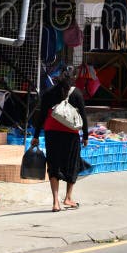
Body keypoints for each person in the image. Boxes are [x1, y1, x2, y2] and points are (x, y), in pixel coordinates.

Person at [30, 67, 89, 212]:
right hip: (71, 134)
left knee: (54, 165)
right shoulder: (76, 94)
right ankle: (68, 198)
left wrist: (36, 136)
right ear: (72, 80)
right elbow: (83, 116)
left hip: (52, 134)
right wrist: (86, 136)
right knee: (72, 164)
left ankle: (55, 202)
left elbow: (42, 116)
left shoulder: (49, 93)